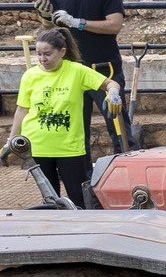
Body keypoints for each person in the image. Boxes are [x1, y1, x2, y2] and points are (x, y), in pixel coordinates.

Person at [37, 0, 136, 163]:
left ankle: (129, 177)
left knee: (119, 128)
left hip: (104, 71)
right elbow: (54, 32)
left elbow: (114, 25)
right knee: (76, 131)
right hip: (71, 73)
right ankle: (85, 185)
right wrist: (45, 22)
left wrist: (77, 22)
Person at [10, 28, 121, 207]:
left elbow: (110, 83)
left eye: (47, 54)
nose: (42, 59)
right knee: (49, 200)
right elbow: (22, 110)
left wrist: (114, 92)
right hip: (37, 146)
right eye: (38, 54)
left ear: (62, 52)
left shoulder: (77, 71)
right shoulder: (30, 76)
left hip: (69, 148)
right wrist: (12, 140)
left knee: (78, 198)